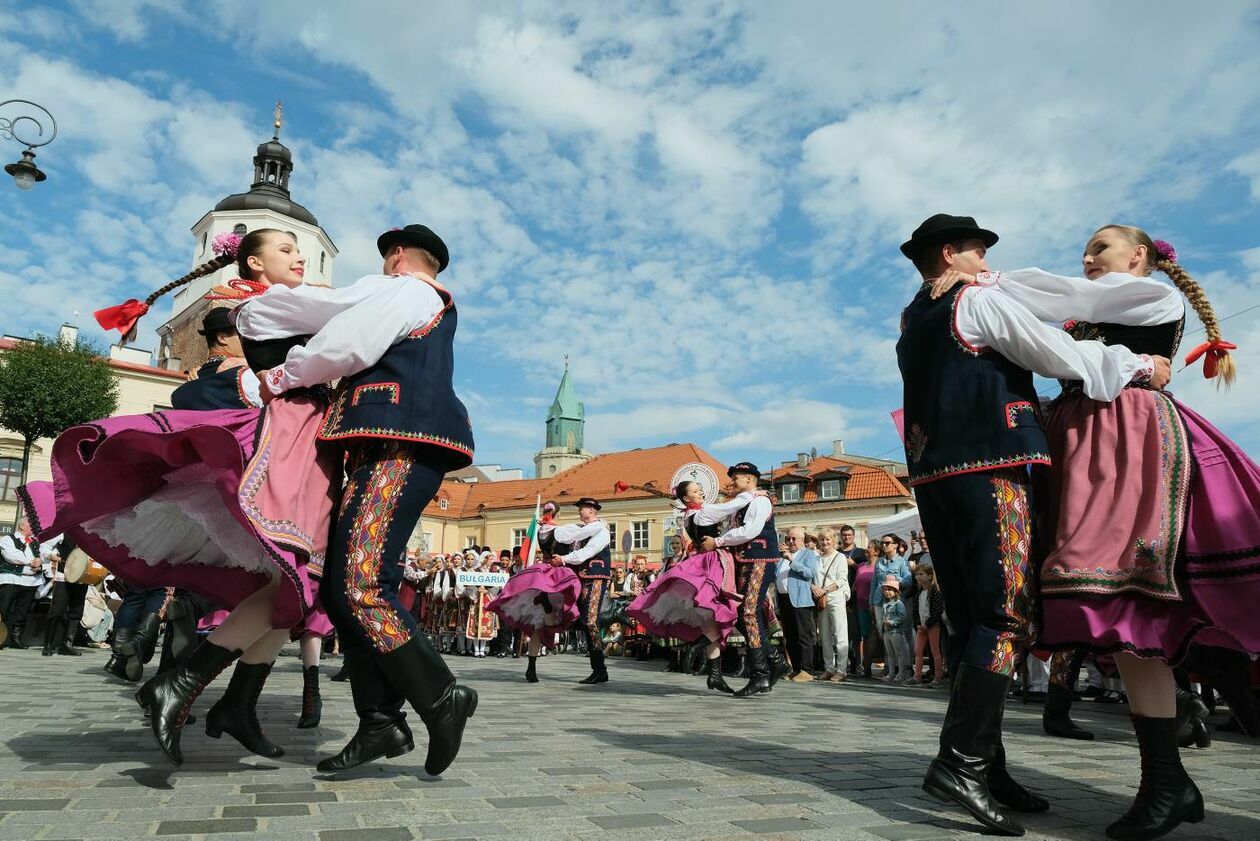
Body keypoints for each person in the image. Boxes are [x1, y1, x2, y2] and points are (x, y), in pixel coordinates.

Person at [934, 224, 1258, 840]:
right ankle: (1166, 777)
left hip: (1127, 436)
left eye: (1099, 249)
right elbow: (1043, 320)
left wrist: (985, 277)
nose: (1086, 259)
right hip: (1080, 437)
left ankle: (1173, 766)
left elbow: (1066, 302)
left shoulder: (1152, 297)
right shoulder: (1103, 303)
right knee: (1117, 608)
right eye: (1085, 250)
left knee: (1125, 593)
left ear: (1140, 256)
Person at [897, 214, 1169, 837]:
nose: (989, 260)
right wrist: (1134, 366)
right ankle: (961, 764)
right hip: (992, 469)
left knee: (969, 623)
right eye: (978, 249)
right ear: (951, 253)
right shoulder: (977, 301)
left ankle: (987, 767)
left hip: (935, 478)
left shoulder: (912, 318)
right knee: (1005, 616)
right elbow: (1055, 354)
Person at [23, 230, 340, 766]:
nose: (301, 256)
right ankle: (178, 684)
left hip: (289, 449)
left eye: (299, 248)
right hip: (284, 455)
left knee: (291, 593)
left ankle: (235, 704)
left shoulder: (256, 307)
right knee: (292, 582)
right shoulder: (271, 306)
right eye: (286, 250)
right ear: (255, 263)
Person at [234, 223, 479, 776]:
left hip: (401, 445)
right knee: (346, 593)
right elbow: (329, 313)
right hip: (380, 449)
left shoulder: (406, 290)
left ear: (396, 256)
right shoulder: (409, 294)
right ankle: (380, 724)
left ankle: (442, 696)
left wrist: (279, 374)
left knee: (362, 585)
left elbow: (344, 339)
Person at [627, 479, 755, 694]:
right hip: (714, 561)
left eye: (699, 489)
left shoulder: (689, 515)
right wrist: (751, 494)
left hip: (703, 560)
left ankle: (715, 675)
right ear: (687, 498)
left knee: (709, 621)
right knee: (716, 607)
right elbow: (730, 507)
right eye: (696, 491)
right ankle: (710, 661)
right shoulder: (703, 514)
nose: (701, 492)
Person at [698, 462, 784, 698]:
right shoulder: (741, 504)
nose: (732, 482)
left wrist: (717, 542)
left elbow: (749, 531)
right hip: (746, 562)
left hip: (760, 561)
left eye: (736, 478)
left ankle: (760, 675)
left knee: (748, 613)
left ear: (749, 480)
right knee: (744, 615)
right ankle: (774, 662)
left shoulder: (759, 500)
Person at [488, 501, 581, 682]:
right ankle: (549, 613)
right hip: (557, 574)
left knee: (539, 625)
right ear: (558, 514)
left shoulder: (541, 530)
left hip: (541, 573)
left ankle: (531, 667)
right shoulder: (561, 531)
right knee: (561, 610)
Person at [554, 497, 613, 684]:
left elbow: (586, 553)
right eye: (580, 508)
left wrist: (563, 560)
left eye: (583, 508)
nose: (580, 511)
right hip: (582, 579)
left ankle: (600, 668)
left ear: (592, 510)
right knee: (583, 621)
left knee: (589, 622)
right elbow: (565, 538)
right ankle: (598, 669)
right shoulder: (580, 530)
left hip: (595, 577)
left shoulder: (600, 530)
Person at [38, 534, 88, 657]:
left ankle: (67, 645)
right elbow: (44, 546)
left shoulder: (93, 533)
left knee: (77, 611)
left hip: (83, 576)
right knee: (57, 610)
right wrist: (50, 556)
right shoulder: (64, 531)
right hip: (64, 575)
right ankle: (48, 645)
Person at [781, 527, 820, 682]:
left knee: (803, 636)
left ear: (802, 540)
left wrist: (791, 560)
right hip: (784, 599)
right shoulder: (782, 556)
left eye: (793, 539)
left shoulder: (808, 554)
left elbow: (809, 573)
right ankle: (796, 669)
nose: (790, 542)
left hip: (800, 600)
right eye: (787, 539)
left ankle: (807, 669)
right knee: (790, 636)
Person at [814, 527, 851, 682]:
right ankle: (829, 668)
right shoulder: (816, 558)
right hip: (821, 599)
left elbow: (842, 579)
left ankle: (841, 670)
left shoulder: (840, 557)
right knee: (824, 635)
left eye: (828, 539)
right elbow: (811, 578)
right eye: (822, 539)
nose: (825, 542)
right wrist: (814, 588)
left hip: (835, 596)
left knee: (839, 634)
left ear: (833, 541)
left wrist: (825, 590)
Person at [0, 518, 43, 649]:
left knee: (22, 611)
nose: (33, 528)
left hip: (30, 581)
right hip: (11, 578)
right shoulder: (8, 539)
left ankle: (15, 638)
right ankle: (2, 637)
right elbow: (12, 556)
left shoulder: (35, 543)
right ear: (23, 526)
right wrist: (32, 562)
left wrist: (40, 562)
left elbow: (43, 556)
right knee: (4, 609)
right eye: (31, 525)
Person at [910, 562, 946, 687]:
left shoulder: (935, 592)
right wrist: (918, 623)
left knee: (935, 651)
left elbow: (937, 611)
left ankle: (938, 677)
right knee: (918, 651)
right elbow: (915, 610)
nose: (918, 577)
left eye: (921, 574)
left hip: (932, 625)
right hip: (922, 626)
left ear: (929, 576)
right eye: (917, 574)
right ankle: (917, 676)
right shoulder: (919, 592)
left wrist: (928, 623)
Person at [878, 576, 911, 683]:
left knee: (900, 653)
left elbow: (902, 617)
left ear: (896, 591)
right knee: (890, 654)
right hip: (887, 632)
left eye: (890, 590)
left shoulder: (898, 604)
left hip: (896, 632)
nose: (887, 592)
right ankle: (891, 673)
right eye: (885, 590)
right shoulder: (885, 604)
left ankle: (901, 673)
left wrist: (891, 622)